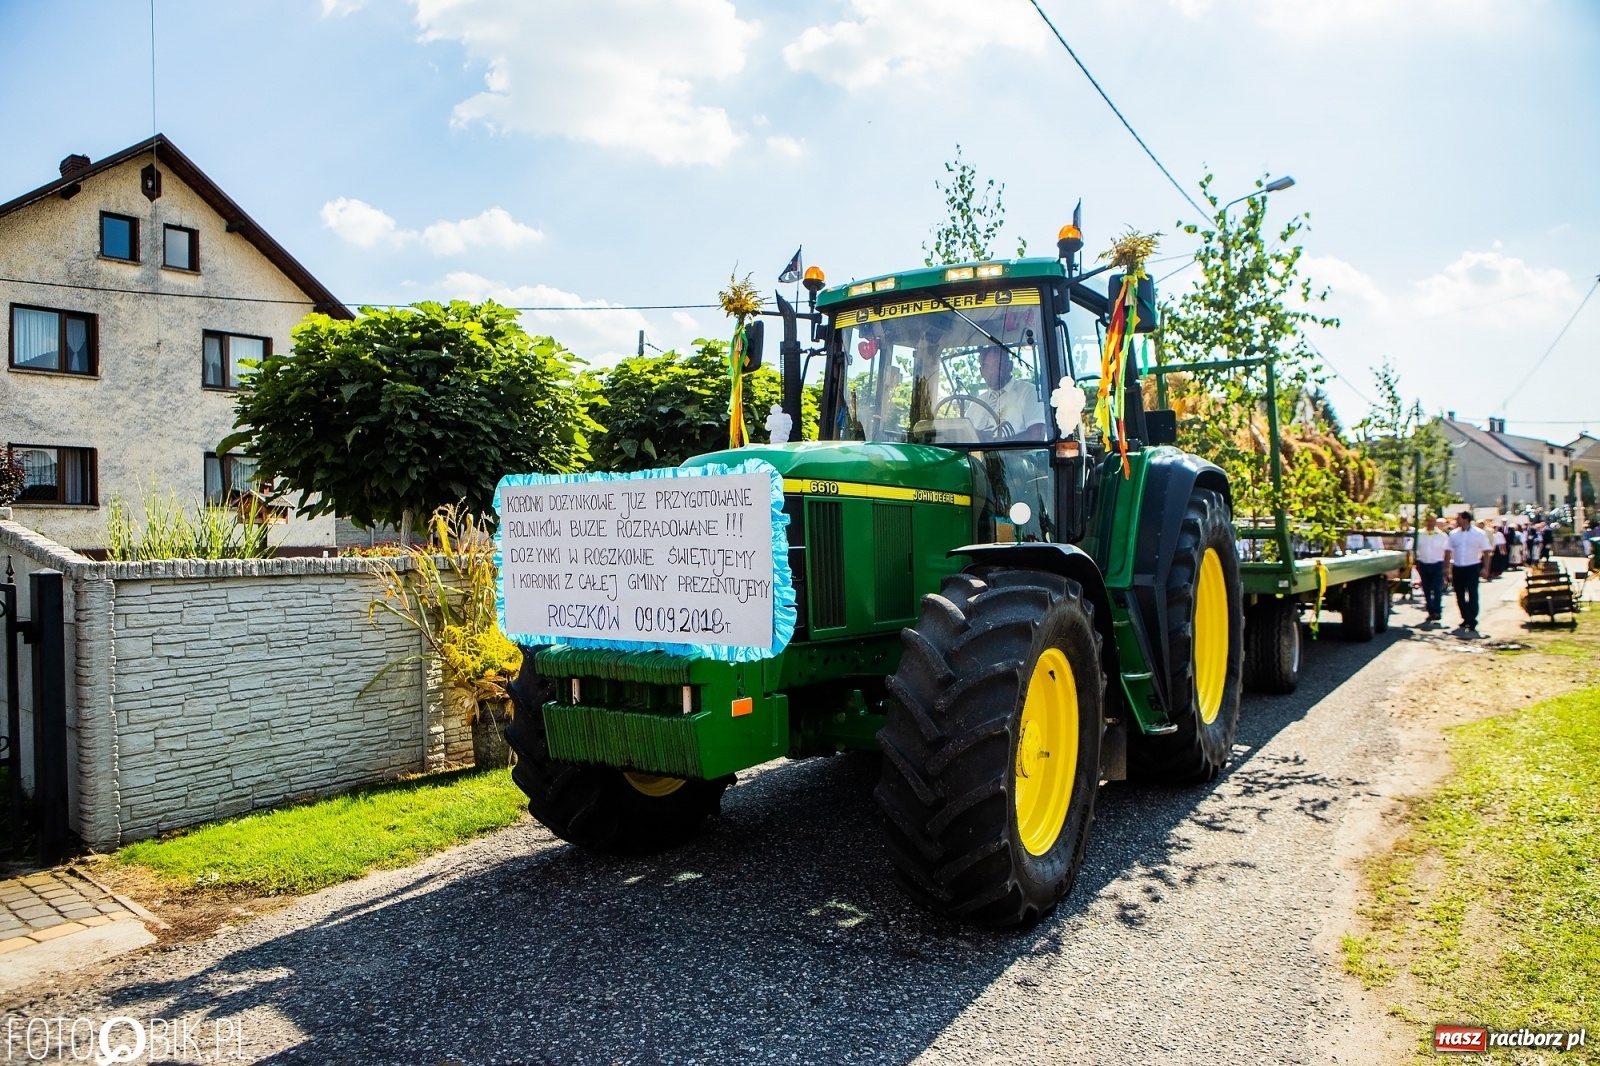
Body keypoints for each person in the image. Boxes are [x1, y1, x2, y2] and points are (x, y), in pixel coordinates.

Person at [971, 345, 1046, 441]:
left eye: (996, 364)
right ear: (981, 372)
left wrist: (996, 444)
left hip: (1016, 455)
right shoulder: (975, 404)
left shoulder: (1029, 393)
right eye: (986, 366)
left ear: (1010, 366)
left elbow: (1036, 436)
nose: (991, 371)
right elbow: (962, 435)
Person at [1445, 510, 1493, 632]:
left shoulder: (1479, 534)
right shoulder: (1453, 534)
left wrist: (1486, 568)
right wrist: (1447, 568)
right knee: (1459, 594)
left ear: (1466, 519)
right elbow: (1448, 551)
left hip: (1472, 566)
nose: (1456, 521)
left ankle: (1472, 619)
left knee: (1472, 593)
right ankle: (1465, 617)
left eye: (1459, 518)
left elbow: (1487, 551)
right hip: (1458, 567)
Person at [1414, 514, 1449, 622]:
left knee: (1437, 589)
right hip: (1424, 564)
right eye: (1429, 521)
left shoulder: (1442, 535)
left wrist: (1446, 567)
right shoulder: (1419, 535)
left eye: (1433, 521)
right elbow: (1415, 550)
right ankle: (1430, 611)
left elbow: (1447, 552)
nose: (1431, 523)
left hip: (1437, 564)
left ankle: (1437, 611)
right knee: (1427, 589)